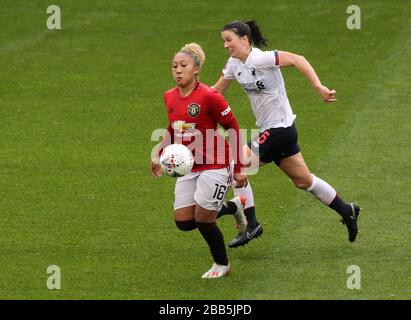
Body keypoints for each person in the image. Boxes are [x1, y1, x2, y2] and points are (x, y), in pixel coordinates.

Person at [213, 20, 361, 243]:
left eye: (228, 40)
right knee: (304, 181)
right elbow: (216, 93)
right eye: (223, 41)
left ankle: (251, 225)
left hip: (280, 130)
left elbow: (297, 59)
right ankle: (347, 210)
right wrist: (193, 102)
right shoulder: (234, 64)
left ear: (244, 39)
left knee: (237, 165)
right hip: (275, 131)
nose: (225, 45)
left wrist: (319, 87)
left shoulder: (260, 59)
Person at [150, 43, 249, 278]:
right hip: (189, 166)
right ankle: (234, 206)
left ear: (196, 69)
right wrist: (158, 153)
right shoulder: (170, 97)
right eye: (174, 66)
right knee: (184, 222)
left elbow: (233, 128)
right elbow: (173, 128)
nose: (178, 70)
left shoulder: (210, 96)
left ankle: (221, 265)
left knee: (204, 220)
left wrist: (239, 168)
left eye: (183, 66)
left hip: (216, 163)